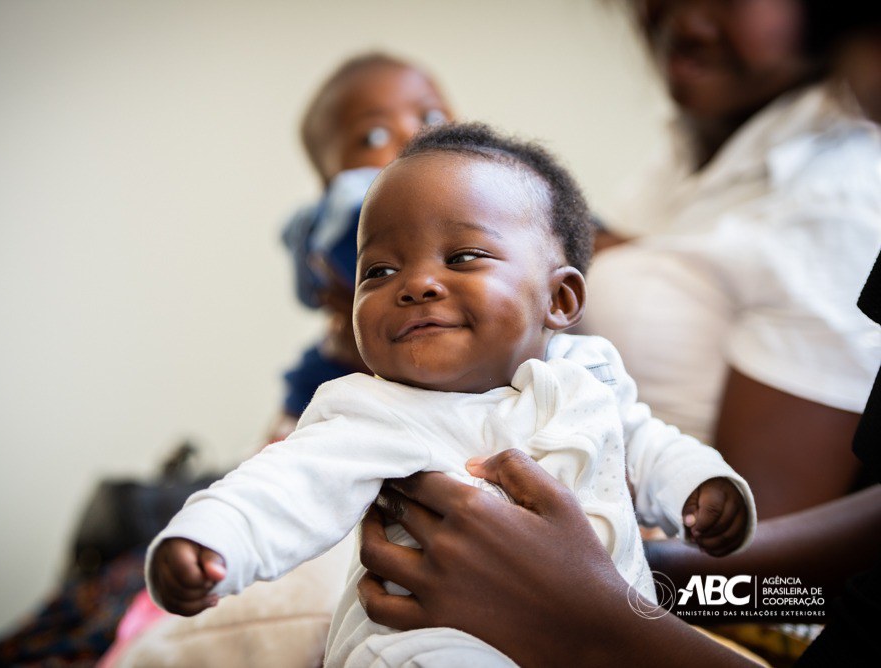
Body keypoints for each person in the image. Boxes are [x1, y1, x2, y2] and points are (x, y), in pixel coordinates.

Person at [356, 1, 881, 665]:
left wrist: (615, 584)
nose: (684, 20)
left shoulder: (841, 196)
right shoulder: (680, 166)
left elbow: (787, 592)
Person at [146, 122, 757, 667]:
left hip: (602, 632)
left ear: (560, 300)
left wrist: (700, 486)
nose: (416, 285)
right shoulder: (370, 409)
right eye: (379, 271)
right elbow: (285, 485)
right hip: (425, 644)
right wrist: (210, 538)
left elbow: (645, 445)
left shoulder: (590, 374)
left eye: (462, 257)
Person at [268, 51, 453, 443]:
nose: (412, 136)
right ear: (332, 181)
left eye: (431, 117)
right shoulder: (353, 211)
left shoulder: (493, 194)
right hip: (351, 371)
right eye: (373, 136)